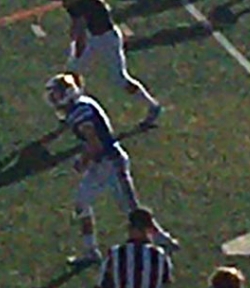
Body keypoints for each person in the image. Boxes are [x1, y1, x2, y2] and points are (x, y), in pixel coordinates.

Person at [43, 72, 178, 267]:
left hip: (111, 163)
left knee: (131, 210)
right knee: (82, 202)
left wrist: (82, 161)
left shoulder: (80, 112)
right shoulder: (81, 106)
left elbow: (94, 143)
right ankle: (90, 251)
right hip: (100, 164)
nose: (53, 99)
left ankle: (163, 240)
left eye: (56, 94)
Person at [41, 0, 161, 128]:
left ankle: (152, 105)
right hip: (94, 35)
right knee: (72, 71)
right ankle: (76, 108)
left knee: (120, 79)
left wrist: (77, 45)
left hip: (106, 39)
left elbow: (80, 27)